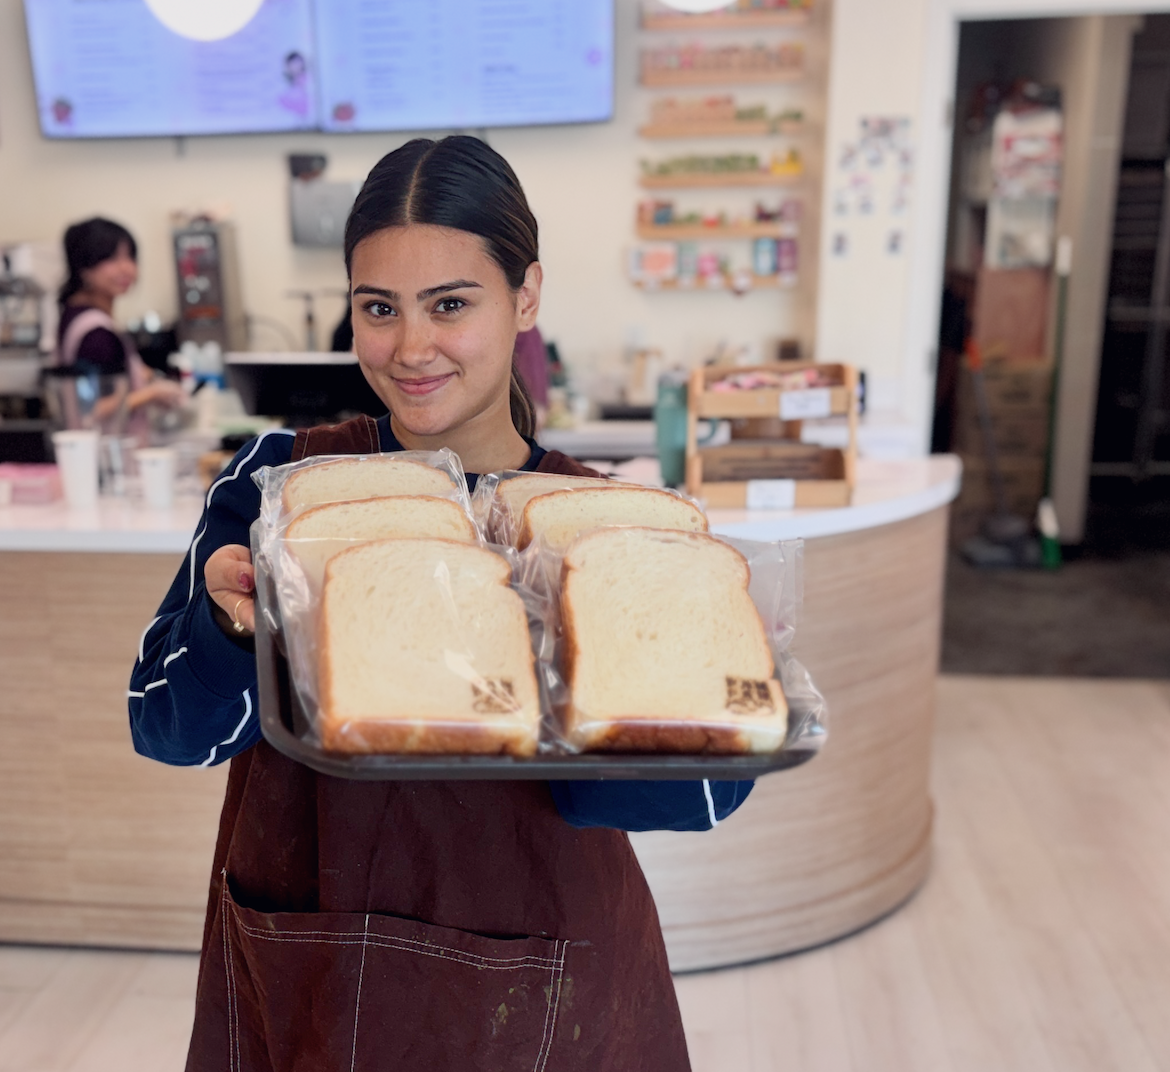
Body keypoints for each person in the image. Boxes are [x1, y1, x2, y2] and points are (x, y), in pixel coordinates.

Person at [129, 136, 753, 1070]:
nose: (410, 347)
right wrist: (228, 630)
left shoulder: (600, 524)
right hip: (310, 961)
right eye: (378, 308)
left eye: (450, 304)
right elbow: (167, 729)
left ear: (526, 296)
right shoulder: (280, 486)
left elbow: (701, 795)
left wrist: (668, 682)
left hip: (548, 977)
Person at [55, 217, 181, 429]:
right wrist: (152, 393)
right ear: (83, 266)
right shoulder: (95, 332)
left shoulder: (74, 314)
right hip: (106, 446)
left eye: (130, 257)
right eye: (112, 258)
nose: (126, 268)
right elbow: (92, 409)